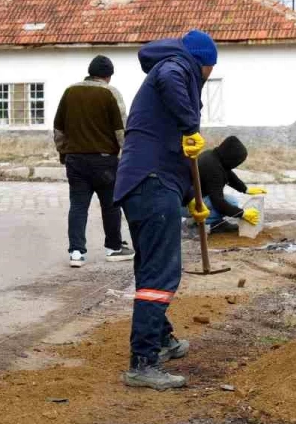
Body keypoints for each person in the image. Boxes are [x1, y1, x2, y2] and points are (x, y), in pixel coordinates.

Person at [113, 30, 217, 390]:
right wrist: (190, 124)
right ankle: (142, 362)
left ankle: (160, 339)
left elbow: (176, 155)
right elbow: (170, 79)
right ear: (205, 63)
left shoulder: (176, 68)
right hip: (151, 183)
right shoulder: (177, 67)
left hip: (149, 183)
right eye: (210, 70)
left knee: (151, 266)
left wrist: (190, 200)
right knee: (161, 273)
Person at [53, 54, 134, 268]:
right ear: (108, 76)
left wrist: (63, 152)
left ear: (89, 72)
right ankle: (113, 247)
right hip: (104, 161)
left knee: (78, 205)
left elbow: (58, 128)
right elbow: (121, 130)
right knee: (110, 205)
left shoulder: (70, 92)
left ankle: (77, 253)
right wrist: (128, 156)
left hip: (75, 160)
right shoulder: (110, 93)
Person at [190, 135, 264, 233]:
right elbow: (218, 203)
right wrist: (242, 213)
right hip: (187, 204)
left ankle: (215, 224)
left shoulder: (212, 155)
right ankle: (194, 222)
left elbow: (228, 173)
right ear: (231, 158)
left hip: (192, 197)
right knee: (231, 203)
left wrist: (245, 189)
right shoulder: (213, 169)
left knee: (231, 201)